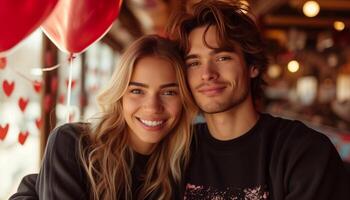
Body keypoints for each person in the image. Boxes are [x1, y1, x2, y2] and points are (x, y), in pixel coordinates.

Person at [167, 0, 350, 199]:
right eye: (194, 63)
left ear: (253, 66)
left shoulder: (304, 151)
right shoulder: (175, 152)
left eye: (222, 58)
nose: (207, 74)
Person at [10, 35, 197, 200]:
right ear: (120, 95)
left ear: (184, 99)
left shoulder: (188, 161)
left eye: (169, 92)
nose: (153, 107)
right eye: (137, 91)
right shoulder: (73, 144)